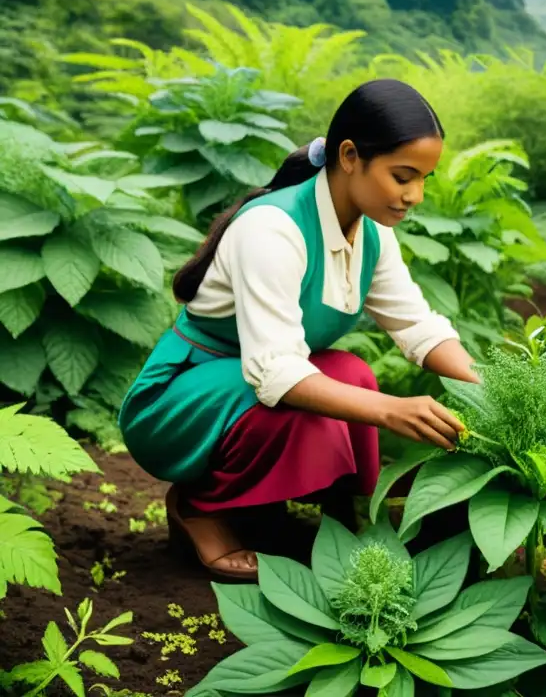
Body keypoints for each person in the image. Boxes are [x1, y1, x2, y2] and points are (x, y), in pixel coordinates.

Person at [117, 78, 480, 580]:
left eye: (424, 179)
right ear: (350, 156)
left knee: (353, 374)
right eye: (402, 176)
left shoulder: (371, 233)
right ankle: (200, 506)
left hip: (240, 388)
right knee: (305, 402)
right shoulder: (272, 229)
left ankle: (342, 513)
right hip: (180, 404)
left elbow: (418, 326)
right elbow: (275, 373)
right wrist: (394, 412)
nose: (414, 195)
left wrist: (490, 392)